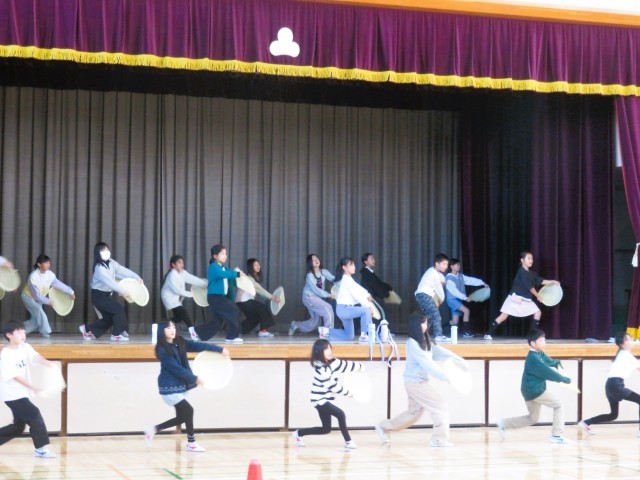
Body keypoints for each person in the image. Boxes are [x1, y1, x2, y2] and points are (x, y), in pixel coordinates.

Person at [375, 312, 466, 447]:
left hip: (416, 382)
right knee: (440, 406)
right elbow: (427, 363)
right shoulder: (413, 343)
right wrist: (446, 377)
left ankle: (383, 426)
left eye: (426, 322)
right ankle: (438, 439)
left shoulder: (425, 340)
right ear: (416, 325)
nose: (426, 325)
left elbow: (440, 352)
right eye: (423, 323)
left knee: (413, 413)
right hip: (415, 383)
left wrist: (458, 360)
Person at [144, 321, 229, 452]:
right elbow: (176, 369)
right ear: (162, 331)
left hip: (179, 385)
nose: (172, 330)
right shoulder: (162, 350)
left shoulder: (180, 342)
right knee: (189, 411)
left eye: (173, 327)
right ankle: (190, 442)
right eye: (168, 328)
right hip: (169, 387)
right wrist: (195, 379)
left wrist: (219, 349)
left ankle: (155, 429)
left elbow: (198, 345)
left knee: (183, 415)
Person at [496, 329, 572, 444]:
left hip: (529, 390)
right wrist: (563, 379)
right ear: (533, 343)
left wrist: (555, 363)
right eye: (541, 340)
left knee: (533, 418)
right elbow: (547, 371)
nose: (544, 342)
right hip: (534, 390)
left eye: (544, 340)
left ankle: (503, 423)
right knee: (558, 405)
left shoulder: (539, 353)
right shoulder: (533, 358)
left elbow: (548, 361)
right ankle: (557, 435)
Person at [291, 338, 363, 449]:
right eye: (326, 349)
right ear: (319, 352)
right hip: (319, 400)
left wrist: (360, 367)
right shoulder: (321, 370)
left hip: (325, 400)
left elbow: (344, 365)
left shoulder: (333, 361)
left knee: (326, 429)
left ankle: (299, 433)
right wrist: (350, 394)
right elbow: (333, 386)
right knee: (340, 414)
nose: (329, 351)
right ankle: (348, 441)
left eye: (330, 348)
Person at [0, 321, 57, 458]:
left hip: (21, 393)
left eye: (24, 332)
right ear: (9, 335)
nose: (23, 335)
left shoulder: (25, 347)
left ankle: (40, 449)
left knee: (18, 427)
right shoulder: (6, 354)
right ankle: (40, 449)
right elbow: (15, 377)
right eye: (19, 332)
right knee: (34, 414)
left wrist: (47, 362)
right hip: (12, 394)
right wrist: (32, 387)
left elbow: (35, 357)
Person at [484, 251, 560, 340]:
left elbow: (541, 281)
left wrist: (553, 281)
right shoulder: (521, 272)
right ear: (522, 260)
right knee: (503, 316)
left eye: (532, 259)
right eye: (529, 258)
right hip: (515, 299)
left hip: (526, 300)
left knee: (537, 313)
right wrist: (537, 295)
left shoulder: (531, 273)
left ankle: (532, 336)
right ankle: (487, 334)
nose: (531, 260)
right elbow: (529, 287)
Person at [578, 332, 640, 436]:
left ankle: (586, 422)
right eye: (628, 339)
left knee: (613, 415)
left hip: (610, 385)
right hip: (616, 385)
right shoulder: (626, 355)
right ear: (622, 344)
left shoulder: (621, 354)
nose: (631, 341)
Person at [80, 242, 143, 342]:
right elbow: (110, 282)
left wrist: (136, 277)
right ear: (98, 253)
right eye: (103, 250)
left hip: (105, 295)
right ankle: (116, 334)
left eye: (107, 249)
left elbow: (122, 270)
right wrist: (123, 291)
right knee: (118, 309)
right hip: (98, 296)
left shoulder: (111, 262)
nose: (107, 252)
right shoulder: (99, 268)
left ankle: (87, 329)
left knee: (109, 319)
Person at [192, 244, 243, 344]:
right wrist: (236, 274)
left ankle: (196, 330)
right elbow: (222, 274)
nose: (225, 256)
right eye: (222, 254)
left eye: (225, 254)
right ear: (215, 256)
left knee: (217, 322)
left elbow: (231, 279)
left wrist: (241, 278)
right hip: (215, 297)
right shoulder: (213, 267)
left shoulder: (224, 268)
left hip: (220, 297)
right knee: (234, 310)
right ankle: (231, 337)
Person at [21, 254, 75, 337]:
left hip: (38, 299)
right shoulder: (33, 276)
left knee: (36, 320)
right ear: (39, 264)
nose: (48, 265)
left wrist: (70, 292)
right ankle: (45, 332)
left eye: (49, 263)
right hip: (28, 297)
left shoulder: (50, 275)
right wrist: (48, 301)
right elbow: (37, 295)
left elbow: (59, 285)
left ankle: (18, 330)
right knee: (39, 311)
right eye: (46, 263)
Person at [160, 255, 207, 340]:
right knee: (184, 315)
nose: (182, 265)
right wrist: (192, 294)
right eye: (179, 263)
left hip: (175, 299)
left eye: (182, 263)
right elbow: (177, 291)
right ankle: (192, 332)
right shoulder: (171, 275)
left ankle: (160, 326)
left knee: (179, 318)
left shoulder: (183, 273)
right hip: (169, 298)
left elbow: (193, 279)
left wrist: (205, 284)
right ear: (173, 265)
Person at [290, 254, 335, 338]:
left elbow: (334, 279)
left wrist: (342, 282)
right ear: (310, 263)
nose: (316, 260)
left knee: (315, 322)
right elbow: (316, 290)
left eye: (316, 258)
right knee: (328, 308)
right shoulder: (310, 275)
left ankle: (295, 325)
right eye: (313, 260)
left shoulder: (324, 272)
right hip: (309, 298)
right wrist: (329, 295)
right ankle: (328, 332)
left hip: (316, 298)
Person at [331, 257, 375, 342]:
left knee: (349, 336)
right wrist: (369, 306)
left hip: (344, 309)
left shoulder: (348, 279)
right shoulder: (347, 280)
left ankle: (325, 332)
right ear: (344, 267)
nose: (354, 267)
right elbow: (357, 294)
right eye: (351, 265)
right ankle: (364, 335)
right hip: (344, 309)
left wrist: (367, 294)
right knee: (365, 311)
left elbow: (358, 289)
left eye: (354, 265)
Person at [445, 258, 488, 338]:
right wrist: (465, 298)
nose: (459, 266)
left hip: (458, 300)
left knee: (455, 321)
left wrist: (482, 283)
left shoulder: (460, 276)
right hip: (452, 300)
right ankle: (466, 332)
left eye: (459, 265)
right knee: (466, 311)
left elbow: (470, 280)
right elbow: (454, 291)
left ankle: (442, 328)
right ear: (451, 266)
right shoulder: (449, 278)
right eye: (457, 265)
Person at [415, 253, 450, 343]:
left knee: (429, 317)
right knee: (435, 314)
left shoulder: (434, 272)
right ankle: (438, 335)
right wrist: (441, 298)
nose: (446, 266)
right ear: (437, 264)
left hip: (421, 295)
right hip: (424, 295)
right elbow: (438, 287)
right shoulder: (433, 273)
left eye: (447, 264)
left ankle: (419, 334)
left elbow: (441, 281)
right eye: (444, 264)